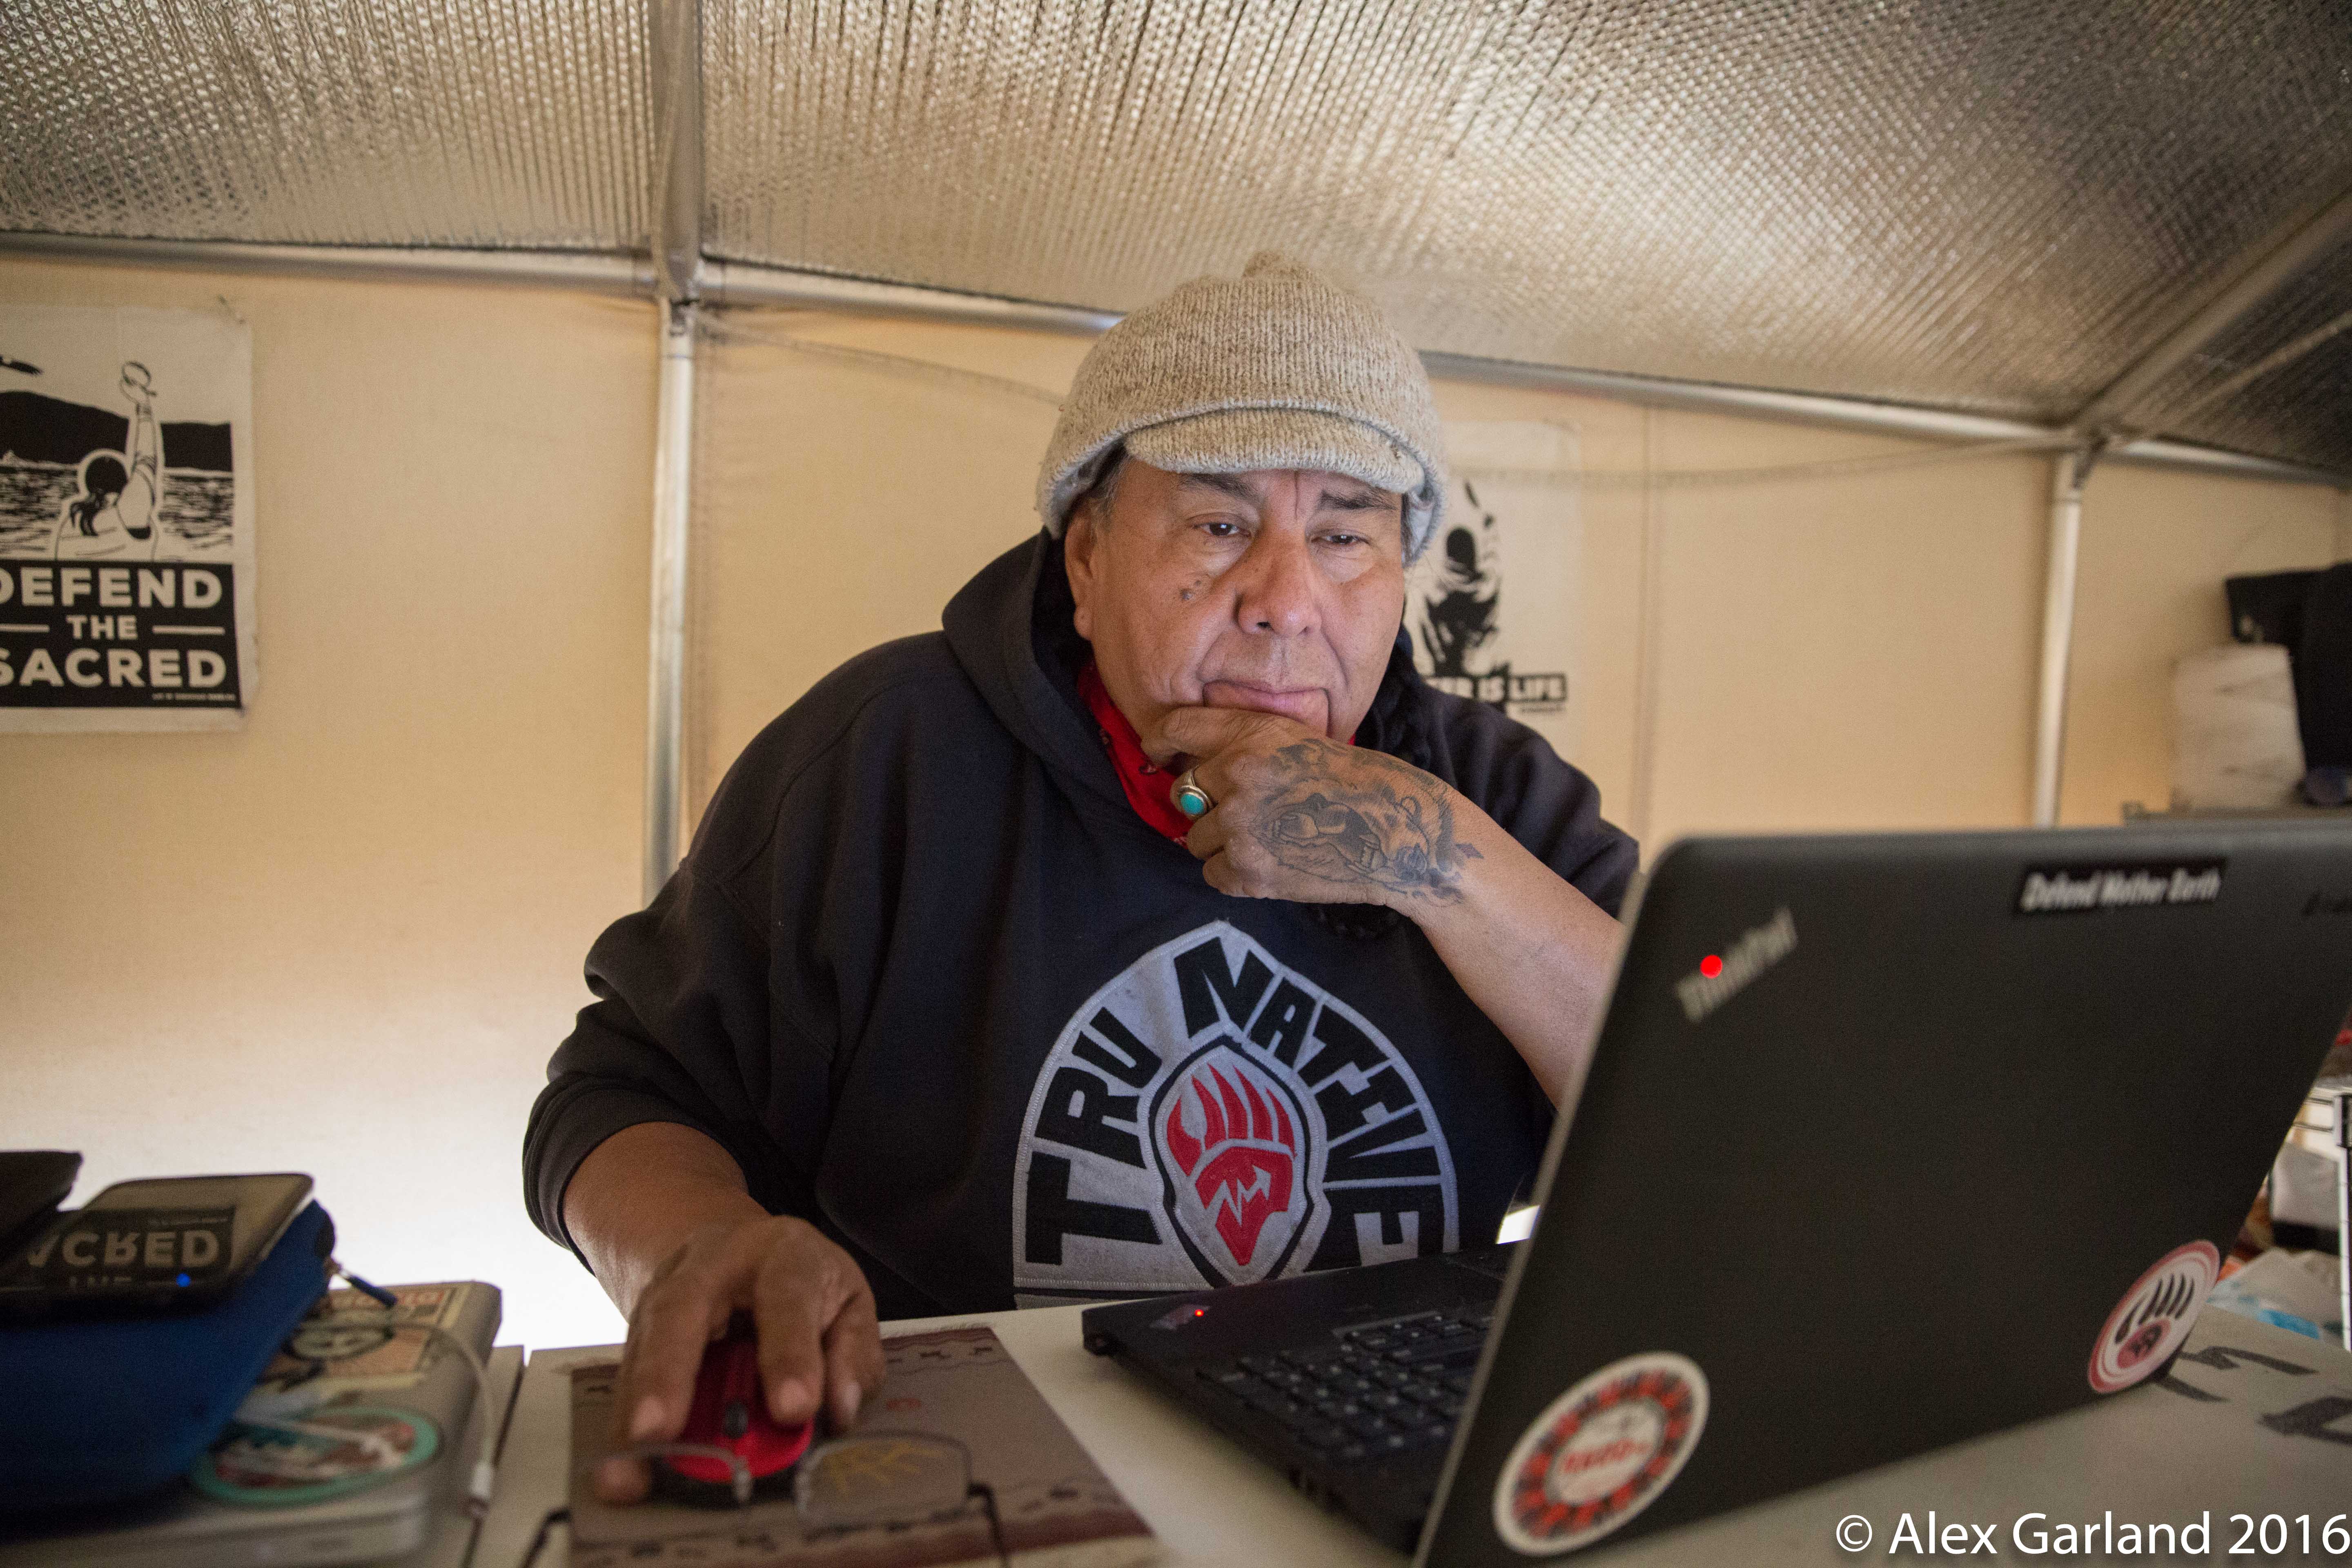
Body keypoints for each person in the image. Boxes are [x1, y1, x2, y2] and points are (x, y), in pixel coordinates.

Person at [525, 254, 1636, 1502]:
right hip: (963, 1479)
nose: (1286, 602)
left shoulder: (1499, 797)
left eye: (1343, 536)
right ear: (1088, 557)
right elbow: (621, 1093)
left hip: (1395, 1482)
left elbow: (1708, 1129)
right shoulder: (885, 758)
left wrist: (1435, 860)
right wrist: (701, 1246)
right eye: (1219, 526)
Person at [54, 363, 162, 561]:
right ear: (124, 485)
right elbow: (146, 460)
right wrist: (144, 407)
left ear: (87, 484)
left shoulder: (70, 523)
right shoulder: (129, 512)